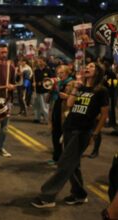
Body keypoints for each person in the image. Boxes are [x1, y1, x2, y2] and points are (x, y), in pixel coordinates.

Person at [32, 62, 109, 208]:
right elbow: (69, 103)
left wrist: (95, 133)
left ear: (98, 72)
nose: (87, 67)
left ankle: (47, 197)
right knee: (73, 164)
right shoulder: (80, 87)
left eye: (92, 66)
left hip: (82, 131)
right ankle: (79, 194)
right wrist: (76, 88)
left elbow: (104, 115)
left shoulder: (101, 91)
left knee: (65, 164)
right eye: (87, 66)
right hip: (69, 127)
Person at [47, 65, 74, 165]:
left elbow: (76, 99)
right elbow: (48, 100)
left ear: (67, 73)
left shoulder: (72, 83)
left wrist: (67, 97)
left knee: (66, 138)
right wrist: (51, 89)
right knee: (55, 136)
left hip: (66, 113)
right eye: (58, 73)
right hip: (56, 111)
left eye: (61, 73)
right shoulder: (57, 83)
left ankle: (66, 161)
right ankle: (56, 158)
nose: (59, 75)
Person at [32, 57, 53, 123]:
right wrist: (33, 83)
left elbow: (51, 80)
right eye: (38, 61)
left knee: (45, 106)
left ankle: (47, 119)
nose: (39, 62)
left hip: (44, 91)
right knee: (36, 105)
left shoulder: (48, 71)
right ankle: (37, 118)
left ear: (44, 62)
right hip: (37, 91)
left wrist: (41, 83)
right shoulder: (36, 71)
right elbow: (32, 79)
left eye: (40, 61)